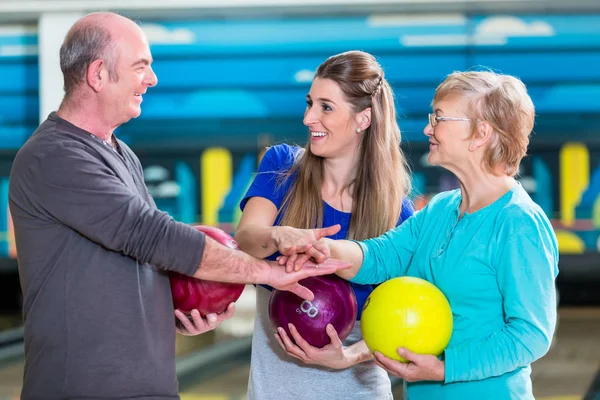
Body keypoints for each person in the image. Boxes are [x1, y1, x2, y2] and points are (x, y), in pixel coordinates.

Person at [8, 12, 349, 400]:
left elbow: (137, 263)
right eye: (141, 67)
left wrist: (182, 309)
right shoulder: (54, 155)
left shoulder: (121, 154)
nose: (151, 79)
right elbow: (151, 235)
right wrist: (266, 273)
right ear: (98, 74)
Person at [279, 70, 559, 399]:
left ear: (480, 133)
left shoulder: (518, 222)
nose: (428, 128)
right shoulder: (441, 208)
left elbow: (531, 335)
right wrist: (324, 250)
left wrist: (445, 369)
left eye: (439, 118)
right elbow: (382, 256)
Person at [234, 50, 414, 400]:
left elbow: (405, 319)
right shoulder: (283, 166)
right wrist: (278, 236)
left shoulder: (398, 214)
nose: (308, 118)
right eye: (309, 103)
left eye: (325, 107)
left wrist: (350, 356)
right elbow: (246, 238)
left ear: (363, 119)